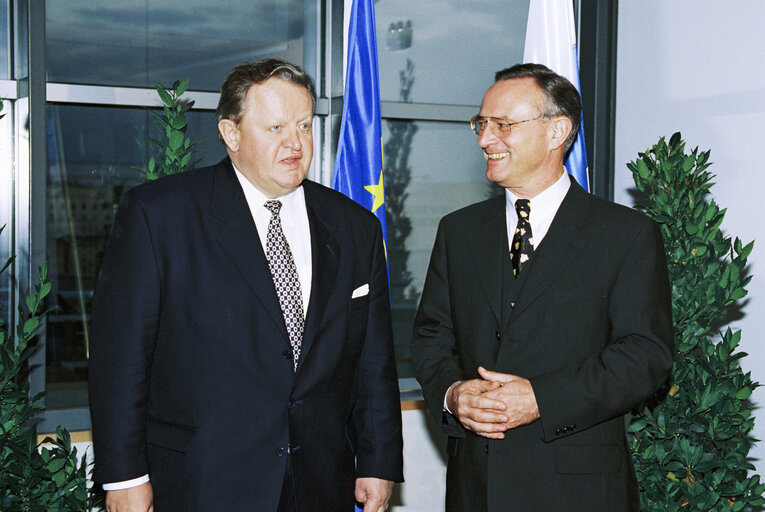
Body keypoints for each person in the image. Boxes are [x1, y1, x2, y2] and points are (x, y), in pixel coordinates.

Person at [89, 58, 403, 512]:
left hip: (320, 481)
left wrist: (378, 459)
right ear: (231, 134)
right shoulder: (160, 216)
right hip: (203, 481)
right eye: (275, 128)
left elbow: (373, 359)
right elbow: (120, 361)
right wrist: (123, 477)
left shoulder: (354, 226)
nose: (295, 143)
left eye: (303, 125)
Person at [410, 63, 673, 512]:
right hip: (476, 488)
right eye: (482, 123)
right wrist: (453, 394)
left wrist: (542, 398)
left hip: (578, 491)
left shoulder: (624, 234)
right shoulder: (458, 232)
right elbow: (432, 336)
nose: (485, 139)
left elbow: (645, 356)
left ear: (558, 131)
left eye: (503, 125)